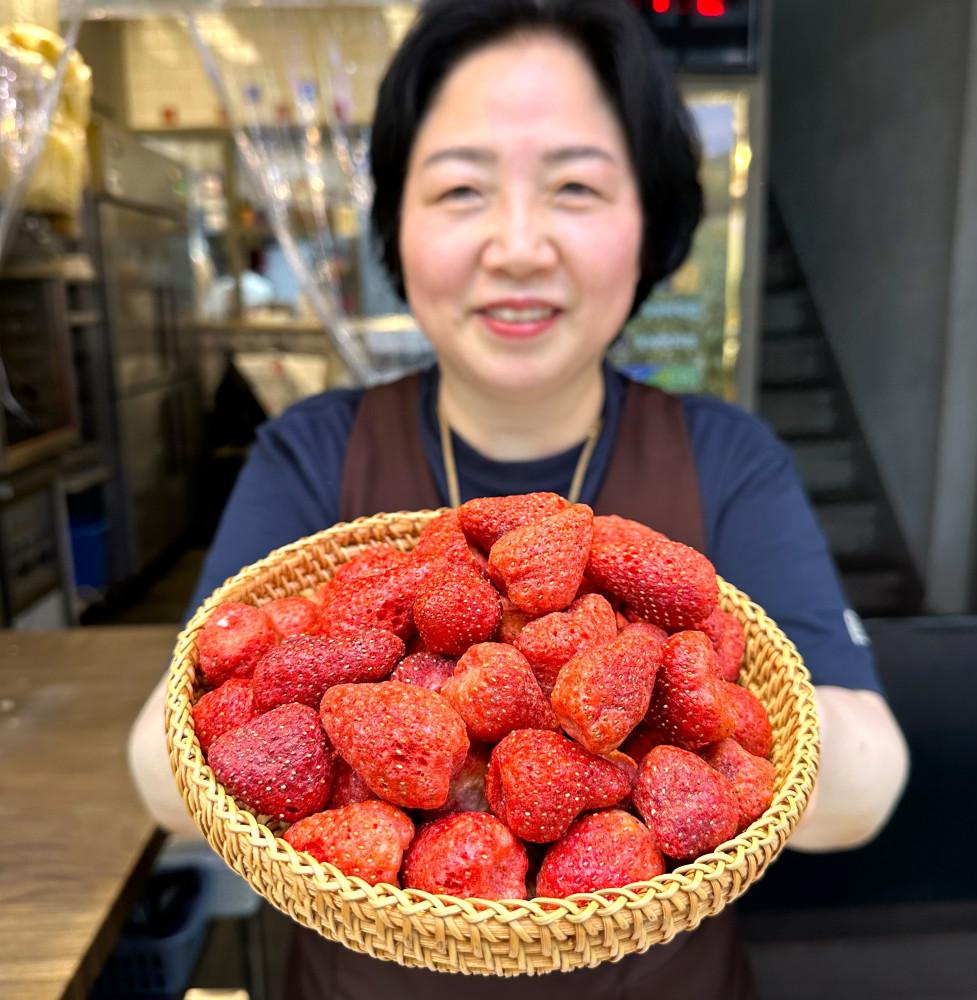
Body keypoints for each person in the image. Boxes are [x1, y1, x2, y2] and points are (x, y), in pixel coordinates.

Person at [129, 1, 909, 996]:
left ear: (653, 219)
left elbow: (864, 788)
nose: (518, 243)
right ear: (395, 220)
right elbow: (166, 766)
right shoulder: (309, 448)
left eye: (574, 186)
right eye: (461, 187)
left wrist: (708, 720)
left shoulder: (730, 456)